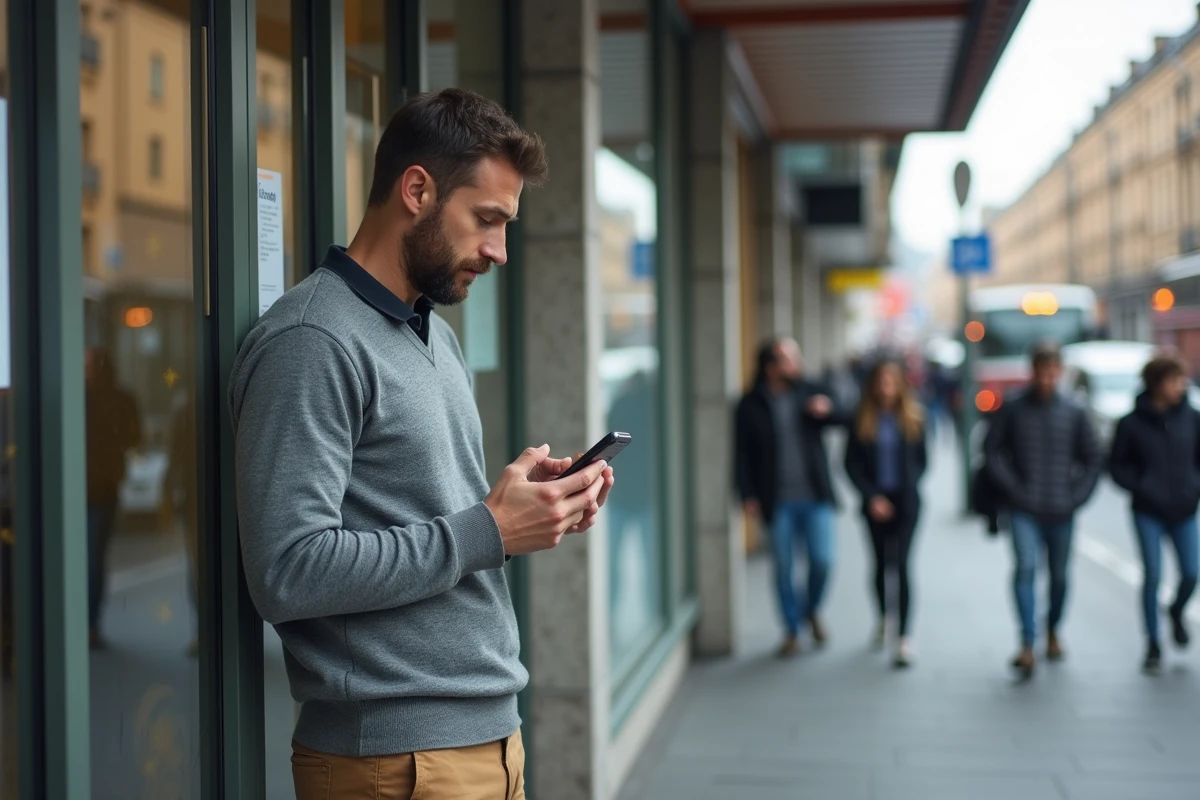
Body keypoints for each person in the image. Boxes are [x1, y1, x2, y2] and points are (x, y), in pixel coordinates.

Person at [229, 89, 615, 800]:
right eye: (487, 221)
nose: (499, 250)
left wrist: (520, 505)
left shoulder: (432, 334)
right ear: (417, 190)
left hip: (487, 738)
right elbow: (287, 571)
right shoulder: (310, 342)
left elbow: (433, 518)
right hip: (395, 762)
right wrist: (488, 530)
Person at [984, 341, 1101, 677]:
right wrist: (1013, 488)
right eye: (1042, 372)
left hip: (1062, 509)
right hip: (1024, 508)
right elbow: (992, 451)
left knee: (1060, 577)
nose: (1047, 379)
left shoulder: (1075, 411)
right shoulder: (1013, 408)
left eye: (1053, 372)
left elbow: (1093, 458)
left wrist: (1077, 495)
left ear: (1060, 372)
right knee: (1025, 569)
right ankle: (1027, 641)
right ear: (1032, 371)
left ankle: (1052, 629)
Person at [735, 337, 848, 657]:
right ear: (770, 367)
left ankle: (810, 609)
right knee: (783, 568)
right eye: (788, 359)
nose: (796, 364)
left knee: (822, 561)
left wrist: (828, 408)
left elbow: (847, 418)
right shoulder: (751, 402)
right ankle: (791, 629)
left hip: (815, 496)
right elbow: (741, 454)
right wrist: (747, 494)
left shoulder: (809, 391)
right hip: (777, 500)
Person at [1109, 355, 1200, 674]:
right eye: (1175, 380)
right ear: (1157, 384)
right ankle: (1152, 642)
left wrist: (1194, 487)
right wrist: (1141, 486)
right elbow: (1117, 465)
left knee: (1192, 572)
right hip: (1148, 510)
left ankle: (1176, 611)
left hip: (1184, 509)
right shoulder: (1131, 423)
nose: (1181, 386)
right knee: (1153, 575)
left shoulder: (1191, 417)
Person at [844, 361, 927, 669]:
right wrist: (871, 497)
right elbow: (850, 464)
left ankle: (904, 637)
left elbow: (922, 461)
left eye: (891, 383)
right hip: (874, 503)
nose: (885, 389)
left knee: (903, 565)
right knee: (880, 565)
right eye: (881, 382)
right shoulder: (862, 420)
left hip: (906, 504)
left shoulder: (914, 418)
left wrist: (906, 487)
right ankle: (883, 617)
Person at [85, 347, 141, 650]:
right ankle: (87, 624)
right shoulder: (84, 396)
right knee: (91, 559)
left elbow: (133, 436)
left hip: (100, 490)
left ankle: (89, 623)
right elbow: (134, 437)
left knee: (91, 560)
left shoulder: (111, 399)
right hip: (98, 488)